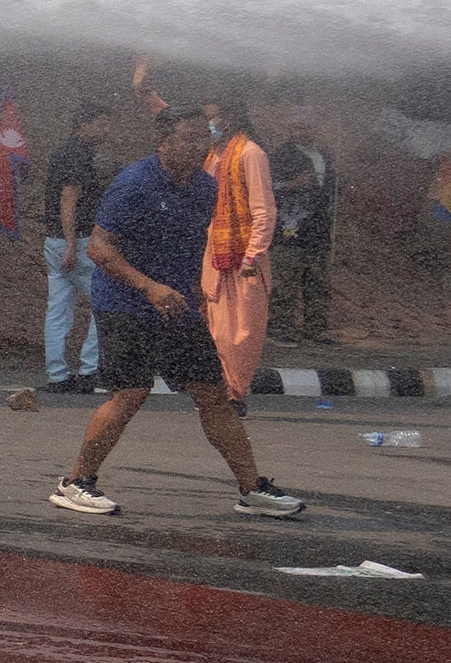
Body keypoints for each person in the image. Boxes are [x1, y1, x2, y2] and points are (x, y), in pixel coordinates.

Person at [49, 105, 307, 518]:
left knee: (213, 395)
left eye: (203, 137)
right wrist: (150, 287)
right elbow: (98, 247)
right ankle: (76, 482)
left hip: (177, 307)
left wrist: (194, 290)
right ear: (164, 141)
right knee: (130, 393)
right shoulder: (135, 183)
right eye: (189, 138)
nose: (200, 145)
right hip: (126, 303)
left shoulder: (205, 188)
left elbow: (186, 246)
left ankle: (252, 489)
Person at [200, 98, 277, 399]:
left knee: (242, 333)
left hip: (245, 259)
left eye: (211, 118)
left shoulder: (251, 153)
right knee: (216, 328)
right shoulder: (211, 156)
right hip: (214, 254)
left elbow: (264, 210)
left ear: (229, 118)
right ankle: (221, 390)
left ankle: (236, 392)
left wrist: (252, 254)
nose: (208, 125)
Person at [33, 107, 110, 391]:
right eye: (101, 123)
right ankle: (90, 369)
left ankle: (57, 375)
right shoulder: (78, 154)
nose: (106, 130)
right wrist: (70, 243)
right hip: (75, 241)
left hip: (54, 241)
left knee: (57, 310)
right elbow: (69, 198)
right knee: (104, 302)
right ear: (83, 123)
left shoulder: (63, 151)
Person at [268, 119, 338, 343]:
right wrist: (295, 183)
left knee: (318, 282)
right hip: (289, 228)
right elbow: (268, 189)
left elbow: (331, 192)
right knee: (284, 281)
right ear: (290, 130)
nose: (304, 131)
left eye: (308, 126)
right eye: (299, 127)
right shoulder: (280, 156)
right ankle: (280, 327)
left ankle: (316, 328)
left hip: (317, 230)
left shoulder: (325, 156)